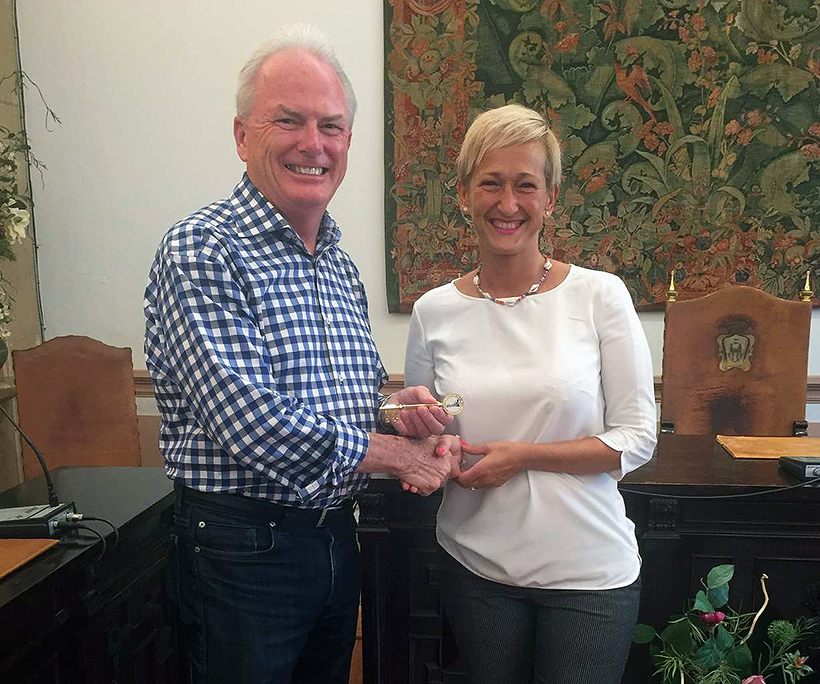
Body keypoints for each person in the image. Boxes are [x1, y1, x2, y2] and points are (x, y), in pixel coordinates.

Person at [143, 24, 460, 684]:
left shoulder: (339, 265)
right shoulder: (202, 249)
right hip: (241, 549)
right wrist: (396, 455)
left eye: (331, 126)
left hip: (336, 536)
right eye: (288, 120)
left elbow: (344, 400)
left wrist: (396, 411)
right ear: (242, 136)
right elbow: (249, 421)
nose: (313, 143)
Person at [404, 103, 657, 684]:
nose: (508, 203)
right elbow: (436, 427)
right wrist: (413, 427)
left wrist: (522, 457)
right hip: (476, 565)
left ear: (551, 197)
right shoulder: (433, 311)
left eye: (526, 185)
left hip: (588, 572)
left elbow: (637, 439)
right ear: (463, 194)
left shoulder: (600, 296)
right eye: (490, 183)